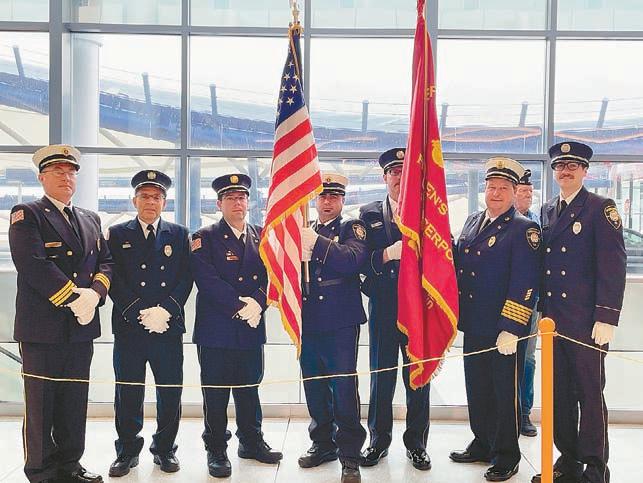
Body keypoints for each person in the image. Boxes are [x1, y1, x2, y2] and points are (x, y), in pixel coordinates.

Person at [9, 144, 113, 483]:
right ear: (42, 177)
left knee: (73, 400)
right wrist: (73, 298)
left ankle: (70, 464)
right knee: (41, 403)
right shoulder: (27, 214)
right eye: (57, 171)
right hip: (43, 327)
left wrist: (94, 295)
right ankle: (41, 471)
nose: (66, 177)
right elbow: (32, 264)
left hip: (82, 326)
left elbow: (106, 262)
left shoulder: (90, 218)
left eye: (70, 172)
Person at [531, 142, 626, 483]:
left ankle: (596, 466)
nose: (565, 171)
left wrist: (607, 316)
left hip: (587, 323)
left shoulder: (600, 208)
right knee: (559, 395)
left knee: (589, 394)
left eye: (573, 165)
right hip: (554, 323)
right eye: (560, 166)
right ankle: (568, 458)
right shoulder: (548, 210)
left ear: (585, 171)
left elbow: (613, 266)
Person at [450, 157, 541, 482]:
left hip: (504, 329)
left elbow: (526, 281)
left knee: (504, 393)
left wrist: (511, 328)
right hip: (474, 322)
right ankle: (482, 442)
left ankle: (506, 455)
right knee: (477, 387)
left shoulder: (524, 228)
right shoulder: (473, 221)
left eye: (503, 188)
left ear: (514, 192)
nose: (496, 193)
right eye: (492, 187)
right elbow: (460, 261)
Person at [191, 173, 282, 478]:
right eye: (230, 198)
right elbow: (207, 280)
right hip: (217, 329)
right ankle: (216, 448)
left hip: (251, 325)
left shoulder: (261, 234)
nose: (237, 203)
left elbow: (272, 274)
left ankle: (251, 442)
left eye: (241, 197)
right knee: (216, 393)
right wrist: (241, 306)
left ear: (249, 202)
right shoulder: (204, 237)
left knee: (249, 388)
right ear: (219, 204)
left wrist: (258, 302)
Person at [106, 170, 193, 477]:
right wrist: (138, 312)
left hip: (167, 327)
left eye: (156, 197)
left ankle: (165, 449)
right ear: (135, 200)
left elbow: (186, 277)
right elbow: (112, 276)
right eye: (144, 196)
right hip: (130, 326)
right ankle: (127, 451)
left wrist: (166, 311)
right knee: (128, 390)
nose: (150, 202)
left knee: (169, 390)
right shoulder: (117, 234)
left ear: (164, 202)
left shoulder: (179, 234)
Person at [358, 147, 431, 470]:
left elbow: (444, 256)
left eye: (406, 171)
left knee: (418, 378)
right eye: (394, 172)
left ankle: (417, 444)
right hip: (384, 306)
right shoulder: (368, 214)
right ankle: (378, 441)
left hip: (418, 308)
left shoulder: (428, 212)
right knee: (381, 376)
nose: (400, 177)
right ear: (385, 177)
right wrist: (387, 254)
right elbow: (360, 261)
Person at [298, 173, 368, 483]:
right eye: (323, 196)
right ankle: (322, 443)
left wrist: (316, 244)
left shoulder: (352, 227)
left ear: (342, 200)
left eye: (334, 196)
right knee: (314, 385)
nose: (327, 201)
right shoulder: (306, 229)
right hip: (310, 320)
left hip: (341, 320)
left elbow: (352, 260)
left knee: (343, 388)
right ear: (315, 200)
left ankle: (350, 454)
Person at [514, 169, 540, 438]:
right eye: (523, 191)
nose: (528, 196)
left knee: (528, 358)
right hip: (503, 302)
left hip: (532, 302)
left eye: (530, 191)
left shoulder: (539, 222)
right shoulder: (500, 221)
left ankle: (524, 412)